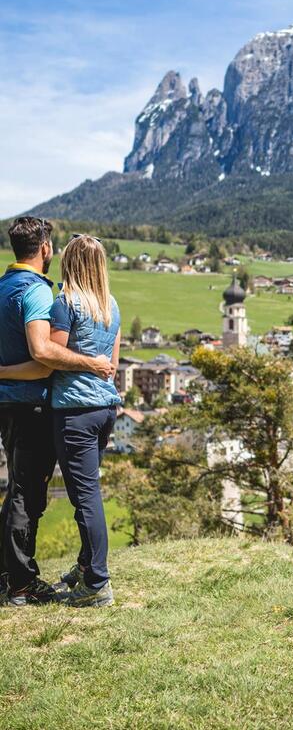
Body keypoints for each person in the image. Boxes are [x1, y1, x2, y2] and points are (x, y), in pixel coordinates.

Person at [0, 218, 113, 607]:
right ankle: (24, 583)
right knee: (29, 494)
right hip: (38, 403)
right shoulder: (38, 291)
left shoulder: (6, 287)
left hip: (13, 404)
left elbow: (35, 353)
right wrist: (92, 363)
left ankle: (12, 576)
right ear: (45, 248)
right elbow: (44, 357)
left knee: (21, 489)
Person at [48, 235, 122, 607]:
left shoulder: (65, 304)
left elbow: (51, 354)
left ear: (70, 264)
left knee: (86, 498)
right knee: (87, 492)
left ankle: (97, 583)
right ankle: (84, 566)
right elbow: (113, 366)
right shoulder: (111, 306)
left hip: (75, 410)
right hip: (105, 409)